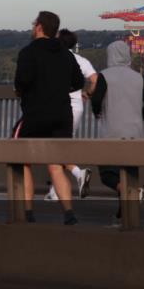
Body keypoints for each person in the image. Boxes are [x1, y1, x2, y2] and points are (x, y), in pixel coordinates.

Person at [13, 11, 84, 225]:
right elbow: (79, 82)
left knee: (22, 161)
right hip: (62, 115)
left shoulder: (28, 52)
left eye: (34, 24)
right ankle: (69, 213)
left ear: (39, 27)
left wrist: (26, 91)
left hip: (35, 114)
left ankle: (27, 212)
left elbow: (21, 82)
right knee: (55, 165)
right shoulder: (66, 54)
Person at [90, 40, 144, 222]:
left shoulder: (105, 76)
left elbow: (96, 100)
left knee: (107, 173)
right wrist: (139, 116)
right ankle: (125, 215)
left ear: (110, 55)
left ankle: (131, 194)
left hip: (112, 132)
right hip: (134, 132)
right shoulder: (138, 77)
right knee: (129, 173)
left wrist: (97, 113)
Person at [44, 29, 95, 201]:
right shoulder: (81, 60)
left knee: (54, 147)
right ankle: (55, 191)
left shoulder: (55, 59)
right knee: (61, 146)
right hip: (77, 107)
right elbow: (95, 79)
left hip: (60, 107)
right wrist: (87, 93)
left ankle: (78, 173)